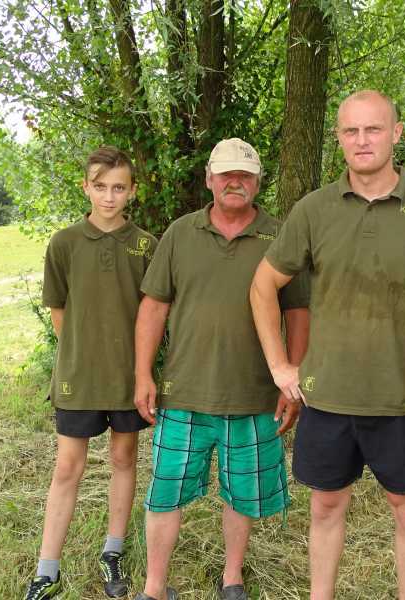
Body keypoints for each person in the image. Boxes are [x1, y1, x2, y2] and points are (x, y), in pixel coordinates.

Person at [250, 90, 405, 600]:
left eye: (374, 129)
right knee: (326, 507)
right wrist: (280, 366)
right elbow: (262, 286)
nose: (362, 140)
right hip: (326, 397)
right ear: (339, 138)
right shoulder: (314, 210)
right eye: (351, 130)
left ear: (396, 134)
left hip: (402, 400)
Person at [132, 138, 309, 600]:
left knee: (242, 494)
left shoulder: (281, 236)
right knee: (165, 492)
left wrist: (291, 380)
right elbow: (154, 306)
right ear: (209, 179)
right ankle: (154, 587)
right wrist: (143, 374)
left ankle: (232, 579)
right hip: (183, 391)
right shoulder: (180, 233)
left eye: (244, 175)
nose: (235, 182)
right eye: (226, 174)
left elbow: (298, 313)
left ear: (258, 182)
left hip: (254, 394)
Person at [25, 147, 158, 600]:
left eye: (118, 187)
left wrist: (139, 369)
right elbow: (59, 311)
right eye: (100, 187)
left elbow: (153, 312)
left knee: (124, 458)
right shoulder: (64, 243)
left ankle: (112, 551)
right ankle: (47, 569)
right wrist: (83, 355)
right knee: (68, 467)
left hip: (128, 376)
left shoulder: (146, 245)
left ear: (132, 191)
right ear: (86, 187)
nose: (109, 196)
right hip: (78, 377)